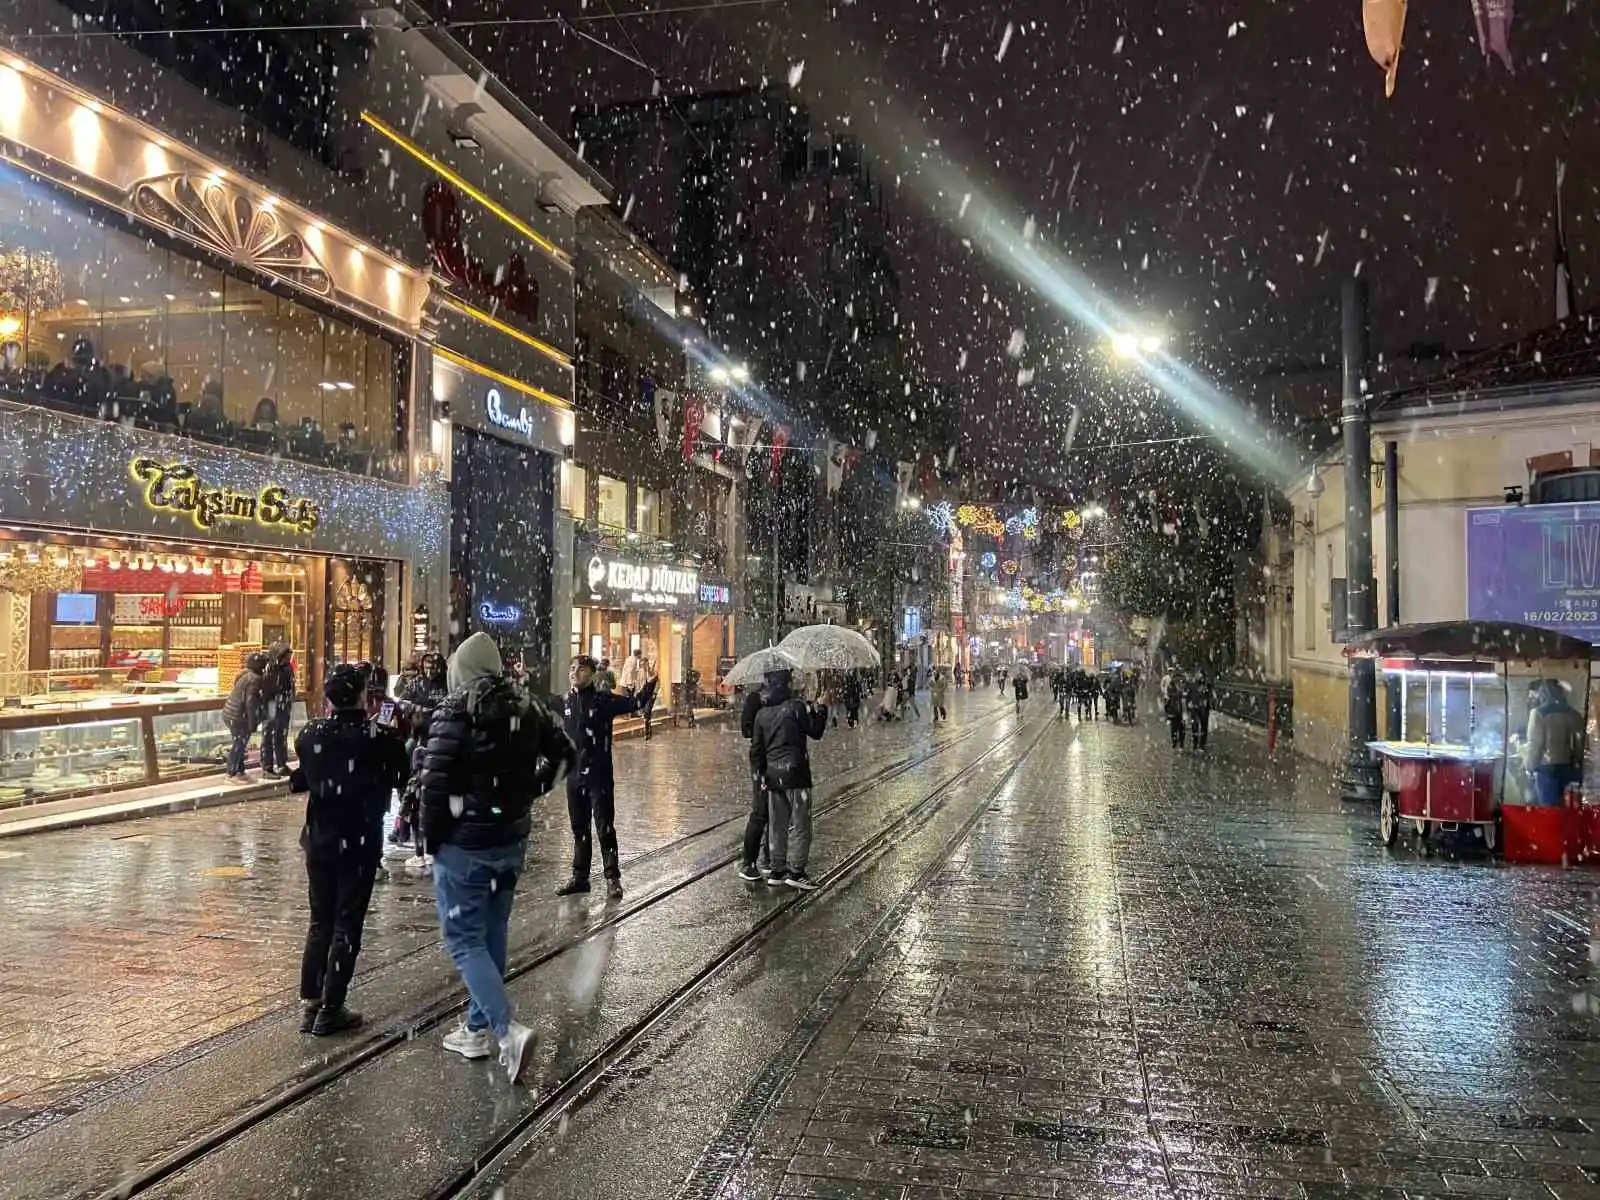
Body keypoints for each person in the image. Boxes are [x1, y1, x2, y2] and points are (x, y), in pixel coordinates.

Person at [420, 633, 574, 1081]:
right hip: (511, 839)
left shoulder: (454, 711)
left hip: (464, 843)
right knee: (492, 931)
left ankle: (507, 1030)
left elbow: (435, 786)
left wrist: (433, 843)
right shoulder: (526, 704)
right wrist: (527, 792)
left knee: (465, 940)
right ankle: (474, 1028)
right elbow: (566, 753)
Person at [291, 663, 409, 1036]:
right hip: (359, 840)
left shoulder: (310, 734)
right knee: (347, 922)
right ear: (362, 695)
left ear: (328, 697)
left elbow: (299, 781)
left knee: (319, 919)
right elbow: (400, 777)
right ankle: (332, 1006)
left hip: (320, 838)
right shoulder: (379, 737)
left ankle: (311, 1000)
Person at [557, 654, 657, 899]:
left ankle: (612, 878)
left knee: (604, 827)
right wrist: (522, 677)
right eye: (572, 669)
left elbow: (635, 703)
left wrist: (652, 683)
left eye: (581, 669)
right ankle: (580, 877)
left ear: (591, 673)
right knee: (579, 828)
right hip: (574, 777)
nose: (574, 673)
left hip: (599, 777)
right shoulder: (565, 701)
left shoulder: (603, 701)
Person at [750, 668, 828, 890]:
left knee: (777, 824)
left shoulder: (762, 713)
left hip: (773, 775)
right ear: (787, 682)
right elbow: (815, 731)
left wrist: (762, 775)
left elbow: (756, 750)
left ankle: (777, 869)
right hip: (796, 774)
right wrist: (820, 708)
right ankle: (796, 870)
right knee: (801, 824)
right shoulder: (795, 707)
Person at [737, 674, 785, 880]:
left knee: (778, 811)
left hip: (779, 758)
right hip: (762, 760)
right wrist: (763, 722)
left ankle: (769, 857)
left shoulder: (784, 697)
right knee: (761, 811)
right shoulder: (756, 698)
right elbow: (746, 729)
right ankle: (748, 861)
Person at [1525, 679, 1585, 806]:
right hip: (1569, 769)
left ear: (1543, 694)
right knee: (1569, 809)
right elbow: (1581, 745)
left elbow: (1535, 744)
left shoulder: (1538, 713)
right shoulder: (1574, 714)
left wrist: (1529, 766)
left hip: (1546, 770)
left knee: (1549, 811)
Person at [222, 651, 267, 780]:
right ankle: (231, 773)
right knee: (239, 744)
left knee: (239, 743)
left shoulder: (245, 675)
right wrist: (252, 722)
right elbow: (251, 703)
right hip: (238, 716)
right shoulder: (255, 679)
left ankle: (239, 770)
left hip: (231, 714)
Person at [259, 643, 296, 779]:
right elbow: (267, 689)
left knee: (281, 735)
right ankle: (267, 767)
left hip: (282, 706)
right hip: (271, 706)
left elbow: (290, 686)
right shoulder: (269, 668)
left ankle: (281, 764)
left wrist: (288, 698)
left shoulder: (286, 669)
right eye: (286, 656)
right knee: (269, 734)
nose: (288, 659)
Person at [619, 648, 658, 740]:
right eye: (641, 664)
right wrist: (636, 690)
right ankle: (647, 730)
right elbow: (639, 683)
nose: (643, 666)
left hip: (650, 694)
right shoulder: (640, 672)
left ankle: (647, 733)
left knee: (647, 712)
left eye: (644, 664)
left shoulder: (653, 672)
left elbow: (655, 682)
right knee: (645, 712)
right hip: (643, 694)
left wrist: (655, 693)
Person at [1187, 672, 1214, 750]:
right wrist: (1189, 703)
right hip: (1195, 708)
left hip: (1204, 709)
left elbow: (1211, 696)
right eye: (1198, 675)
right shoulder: (1192, 685)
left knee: (1203, 727)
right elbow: (1188, 696)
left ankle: (1202, 745)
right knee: (1195, 726)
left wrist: (1208, 703)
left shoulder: (1207, 686)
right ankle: (1195, 744)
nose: (1200, 677)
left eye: (1201, 676)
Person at [1164, 671, 1187, 749]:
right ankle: (1174, 742)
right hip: (1173, 710)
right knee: (1174, 728)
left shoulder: (1183, 686)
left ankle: (1181, 743)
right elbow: (1169, 697)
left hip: (1181, 710)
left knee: (1182, 728)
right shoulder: (1171, 687)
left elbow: (1185, 698)